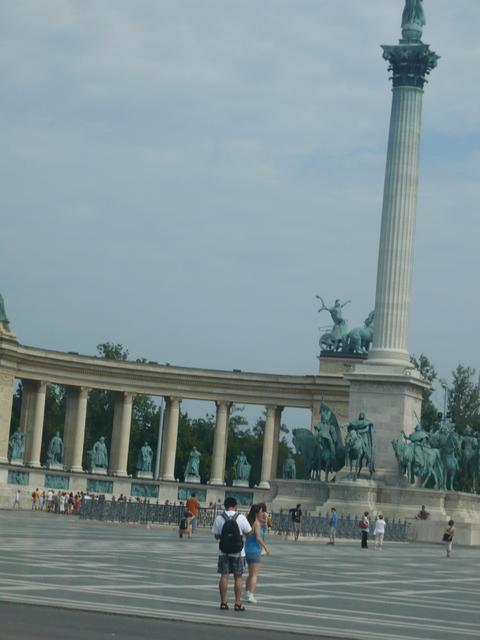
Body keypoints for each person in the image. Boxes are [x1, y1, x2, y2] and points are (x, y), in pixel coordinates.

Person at [212, 496, 252, 611]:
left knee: (224, 576)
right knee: (238, 577)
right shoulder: (241, 517)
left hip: (223, 551)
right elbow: (249, 533)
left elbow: (216, 536)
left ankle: (223, 602)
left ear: (225, 506)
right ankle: (238, 603)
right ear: (235, 506)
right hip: (238, 552)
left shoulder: (219, 518)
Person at [245, 503, 270, 603]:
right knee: (254, 575)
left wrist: (267, 517)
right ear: (257, 513)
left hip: (247, 550)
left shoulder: (251, 522)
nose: (263, 513)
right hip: (255, 551)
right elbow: (259, 538)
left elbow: (268, 524)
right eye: (261, 511)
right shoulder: (257, 523)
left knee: (251, 574)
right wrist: (266, 547)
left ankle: (247, 592)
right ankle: (250, 595)